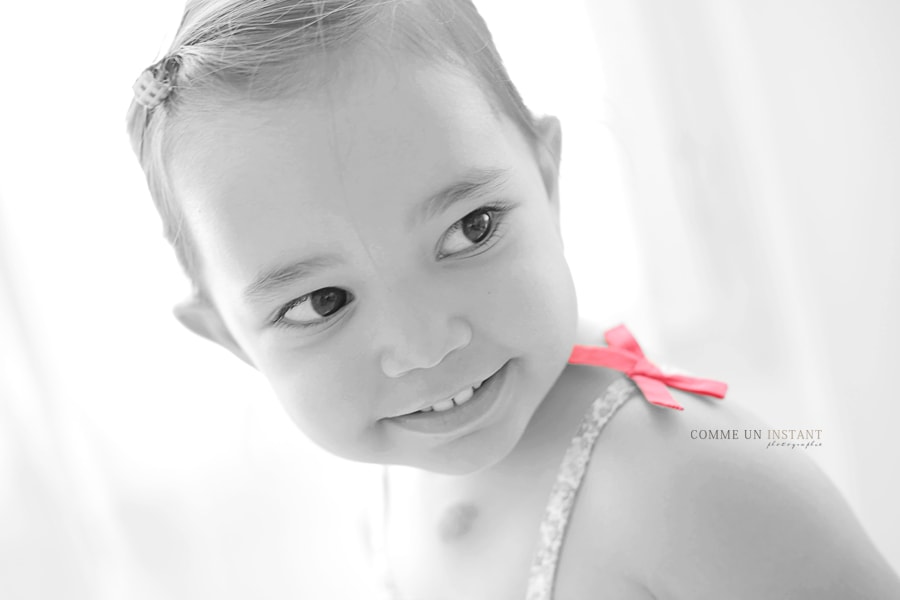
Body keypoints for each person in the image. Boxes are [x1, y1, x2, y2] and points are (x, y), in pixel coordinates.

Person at [126, 1, 900, 597]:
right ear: (231, 339)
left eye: (472, 228)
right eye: (322, 303)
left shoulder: (688, 480)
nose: (425, 344)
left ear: (549, 180)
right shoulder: (397, 477)